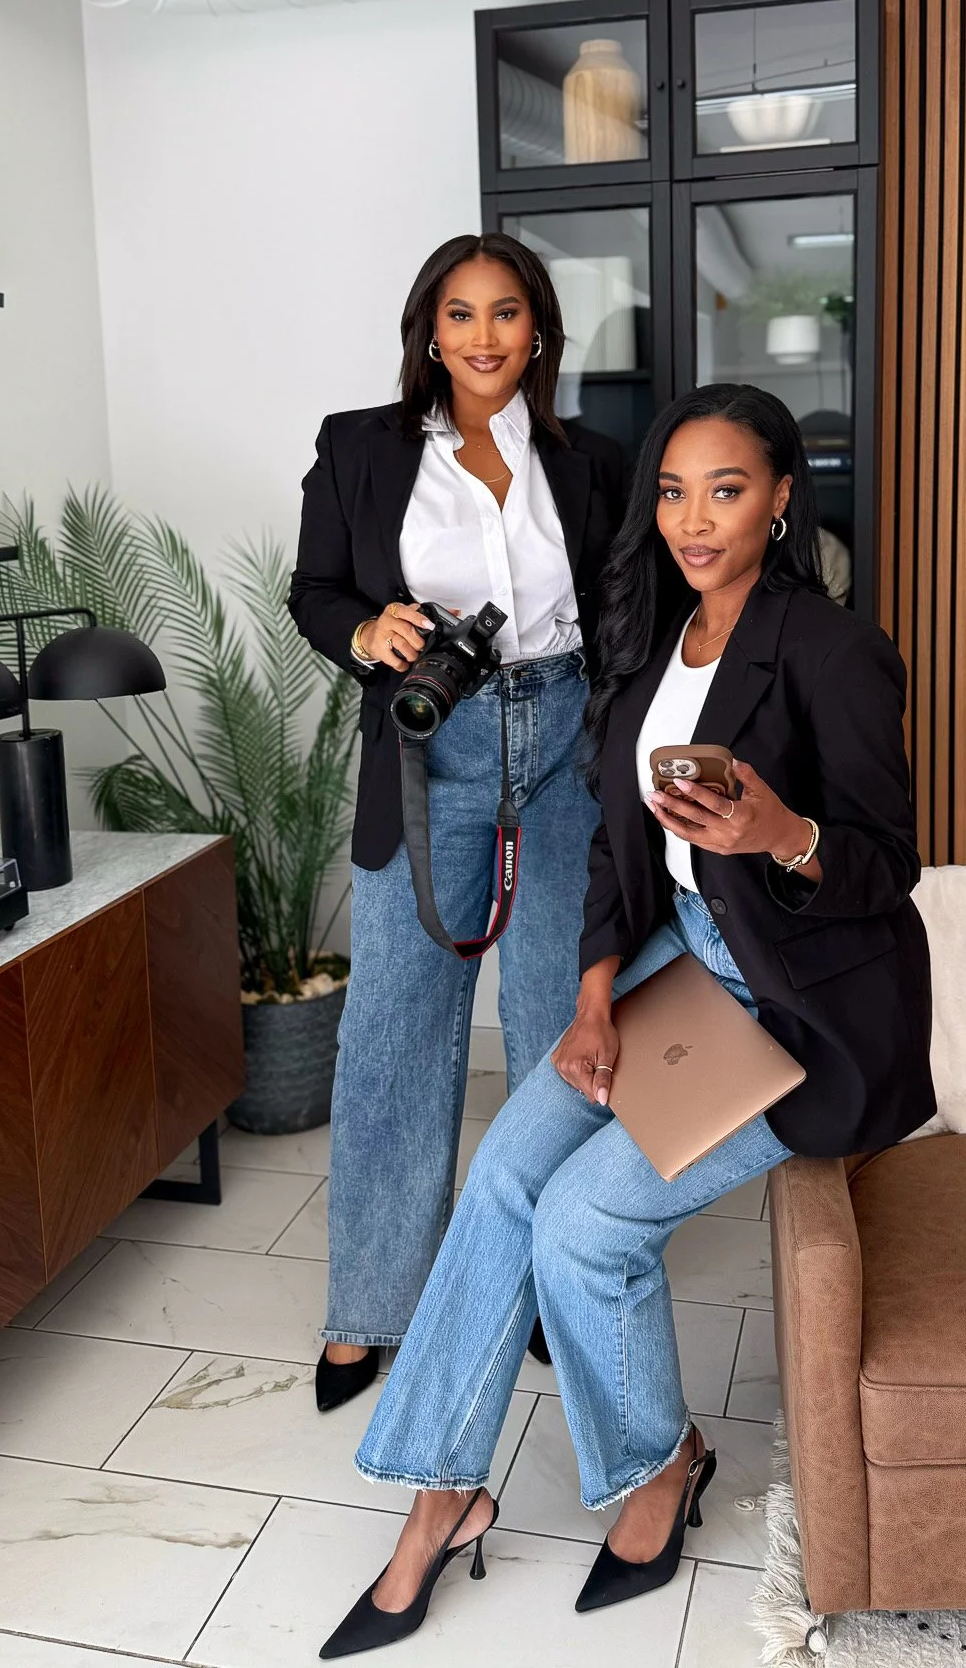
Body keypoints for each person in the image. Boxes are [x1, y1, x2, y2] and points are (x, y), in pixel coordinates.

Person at [318, 382, 935, 1658]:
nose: (693, 519)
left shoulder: (828, 650)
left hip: (799, 1000)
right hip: (680, 962)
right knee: (500, 1178)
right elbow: (617, 848)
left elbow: (887, 866)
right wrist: (595, 991)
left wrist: (784, 832)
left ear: (778, 499)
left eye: (725, 490)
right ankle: (442, 1491)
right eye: (672, 490)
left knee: (586, 1223)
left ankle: (662, 1462)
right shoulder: (653, 642)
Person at [289, 233, 626, 1415]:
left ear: (538, 331)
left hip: (566, 738)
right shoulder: (360, 449)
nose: (483, 335)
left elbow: (622, 613)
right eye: (459, 312)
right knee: (395, 1032)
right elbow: (315, 591)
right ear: (428, 329)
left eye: (507, 312)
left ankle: (550, 1281)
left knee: (557, 1030)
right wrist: (366, 633)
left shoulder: (589, 463)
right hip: (435, 744)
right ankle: (372, 1303)